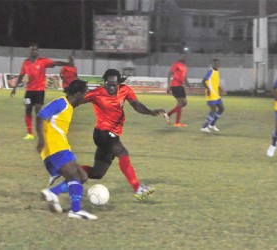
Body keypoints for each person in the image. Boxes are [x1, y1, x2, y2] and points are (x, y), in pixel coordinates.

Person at [81, 69, 165, 200]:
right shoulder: (96, 93)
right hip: (102, 133)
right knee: (122, 152)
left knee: (97, 173)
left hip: (112, 134)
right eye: (109, 84)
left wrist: (150, 112)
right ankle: (138, 188)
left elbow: (137, 106)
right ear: (104, 82)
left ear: (119, 83)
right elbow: (75, 100)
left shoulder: (125, 90)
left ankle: (67, 170)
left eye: (115, 84)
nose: (112, 87)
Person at [37, 79, 97, 220]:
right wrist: (41, 140)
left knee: (82, 176)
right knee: (74, 177)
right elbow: (40, 116)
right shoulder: (61, 103)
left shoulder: (69, 105)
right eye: (84, 94)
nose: (85, 97)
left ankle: (53, 192)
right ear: (77, 93)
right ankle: (75, 210)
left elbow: (84, 100)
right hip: (54, 146)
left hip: (62, 146)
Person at [10, 43, 70, 140]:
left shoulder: (43, 61)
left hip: (39, 91)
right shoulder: (26, 62)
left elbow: (55, 63)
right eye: (32, 49)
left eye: (35, 49)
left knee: (38, 112)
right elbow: (21, 76)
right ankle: (29, 133)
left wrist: (67, 64)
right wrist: (15, 88)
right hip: (29, 91)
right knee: (28, 110)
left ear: (38, 51)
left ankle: (41, 132)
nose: (33, 51)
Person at [200, 59, 225, 133]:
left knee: (221, 109)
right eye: (215, 63)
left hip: (216, 94)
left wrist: (219, 88)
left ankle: (212, 124)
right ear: (212, 64)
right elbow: (203, 81)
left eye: (218, 63)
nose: (217, 65)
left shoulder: (217, 71)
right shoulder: (210, 71)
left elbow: (214, 82)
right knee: (213, 109)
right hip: (211, 94)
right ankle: (204, 127)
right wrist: (207, 89)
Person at [165, 52, 189, 127]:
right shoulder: (176, 64)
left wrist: (188, 84)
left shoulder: (185, 66)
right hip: (175, 86)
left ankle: (168, 114)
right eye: (182, 56)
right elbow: (169, 74)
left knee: (184, 103)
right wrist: (169, 85)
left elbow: (184, 77)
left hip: (180, 86)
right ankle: (177, 122)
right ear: (179, 56)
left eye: (185, 56)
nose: (183, 57)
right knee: (180, 103)